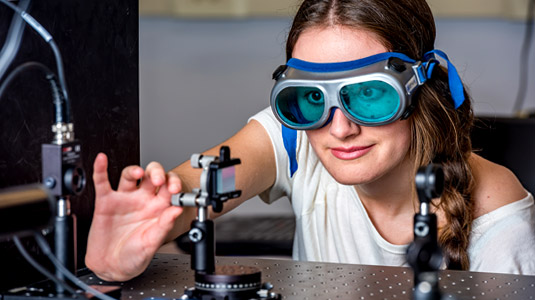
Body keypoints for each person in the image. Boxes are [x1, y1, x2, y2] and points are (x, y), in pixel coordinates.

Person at [85, 0, 535, 282]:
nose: (338, 129)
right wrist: (145, 222)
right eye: (309, 100)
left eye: (370, 97)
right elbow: (200, 183)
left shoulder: (501, 226)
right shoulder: (296, 137)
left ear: (419, 88)